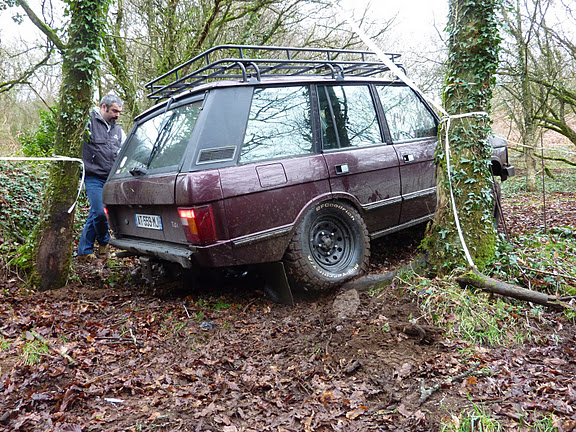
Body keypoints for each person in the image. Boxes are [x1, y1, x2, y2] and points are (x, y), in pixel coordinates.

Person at [77, 94, 125, 261]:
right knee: (99, 213)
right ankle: (104, 241)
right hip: (93, 177)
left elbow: (123, 152)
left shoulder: (118, 130)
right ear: (103, 107)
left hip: (111, 178)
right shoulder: (88, 123)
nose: (117, 115)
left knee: (94, 214)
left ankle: (84, 250)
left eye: (119, 112)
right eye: (114, 111)